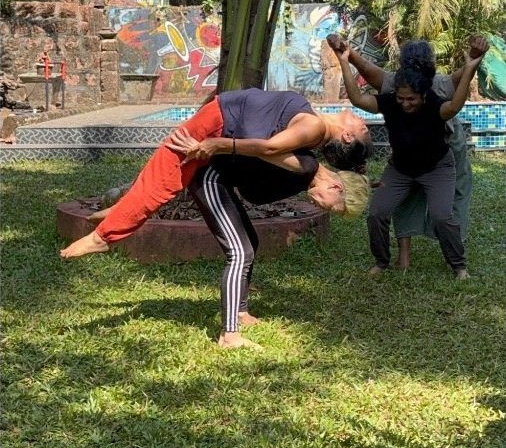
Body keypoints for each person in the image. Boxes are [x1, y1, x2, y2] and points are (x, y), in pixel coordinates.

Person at [60, 88, 371, 347]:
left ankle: (240, 312)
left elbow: (258, 168)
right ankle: (229, 334)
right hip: (214, 157)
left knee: (244, 240)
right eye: (332, 205)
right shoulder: (307, 159)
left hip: (219, 150)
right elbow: (267, 147)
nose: (323, 208)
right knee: (231, 244)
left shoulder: (307, 160)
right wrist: (215, 145)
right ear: (336, 185)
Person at [329, 35, 487, 278]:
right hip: (400, 168)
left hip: (437, 168)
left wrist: (470, 66)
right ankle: (382, 262)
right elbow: (358, 98)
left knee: (442, 216)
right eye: (401, 98)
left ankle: (459, 266)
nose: (405, 103)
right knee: (377, 214)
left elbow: (455, 105)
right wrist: (343, 59)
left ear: (423, 95)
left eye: (411, 99)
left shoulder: (435, 101)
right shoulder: (393, 95)